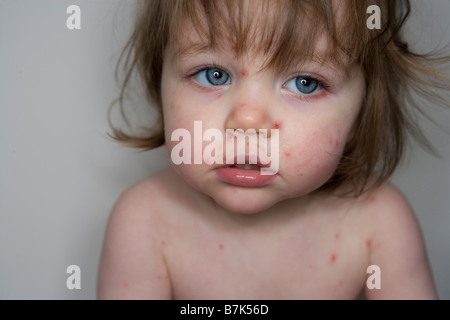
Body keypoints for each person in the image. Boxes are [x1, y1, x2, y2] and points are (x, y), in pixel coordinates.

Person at [97, 0, 449, 299]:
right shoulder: (145, 223)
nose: (248, 122)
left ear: (360, 114)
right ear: (161, 86)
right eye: (213, 74)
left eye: (305, 83)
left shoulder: (378, 222)